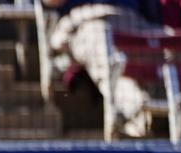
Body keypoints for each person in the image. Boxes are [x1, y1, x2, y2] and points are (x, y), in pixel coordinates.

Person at [42, 0, 164, 137]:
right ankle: (139, 112)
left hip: (132, 19)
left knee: (173, 46)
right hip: (86, 19)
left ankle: (175, 109)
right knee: (110, 58)